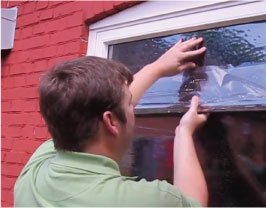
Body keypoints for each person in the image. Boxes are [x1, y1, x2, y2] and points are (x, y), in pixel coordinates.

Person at [14, 37, 209, 207]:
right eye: (129, 104)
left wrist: (156, 68)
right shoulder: (140, 200)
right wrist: (183, 132)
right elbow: (195, 203)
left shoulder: (33, 174)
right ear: (111, 122)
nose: (133, 106)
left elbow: (84, 107)